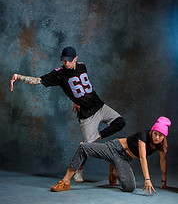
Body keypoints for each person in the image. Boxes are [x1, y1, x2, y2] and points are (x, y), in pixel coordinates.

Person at [10, 46, 126, 182]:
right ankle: (79, 170)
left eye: (69, 61)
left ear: (75, 58)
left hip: (99, 106)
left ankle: (97, 137)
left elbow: (78, 88)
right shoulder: (59, 74)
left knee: (120, 122)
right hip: (86, 114)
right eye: (64, 61)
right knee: (87, 147)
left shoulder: (82, 66)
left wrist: (74, 99)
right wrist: (18, 77)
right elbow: (38, 81)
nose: (66, 63)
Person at [50, 116, 171, 195]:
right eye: (155, 134)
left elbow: (162, 161)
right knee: (83, 148)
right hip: (114, 148)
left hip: (124, 159)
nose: (156, 137)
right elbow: (143, 158)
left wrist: (163, 181)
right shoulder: (144, 135)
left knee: (129, 187)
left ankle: (114, 169)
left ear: (164, 137)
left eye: (160, 136)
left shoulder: (161, 145)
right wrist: (147, 180)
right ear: (152, 131)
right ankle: (65, 182)